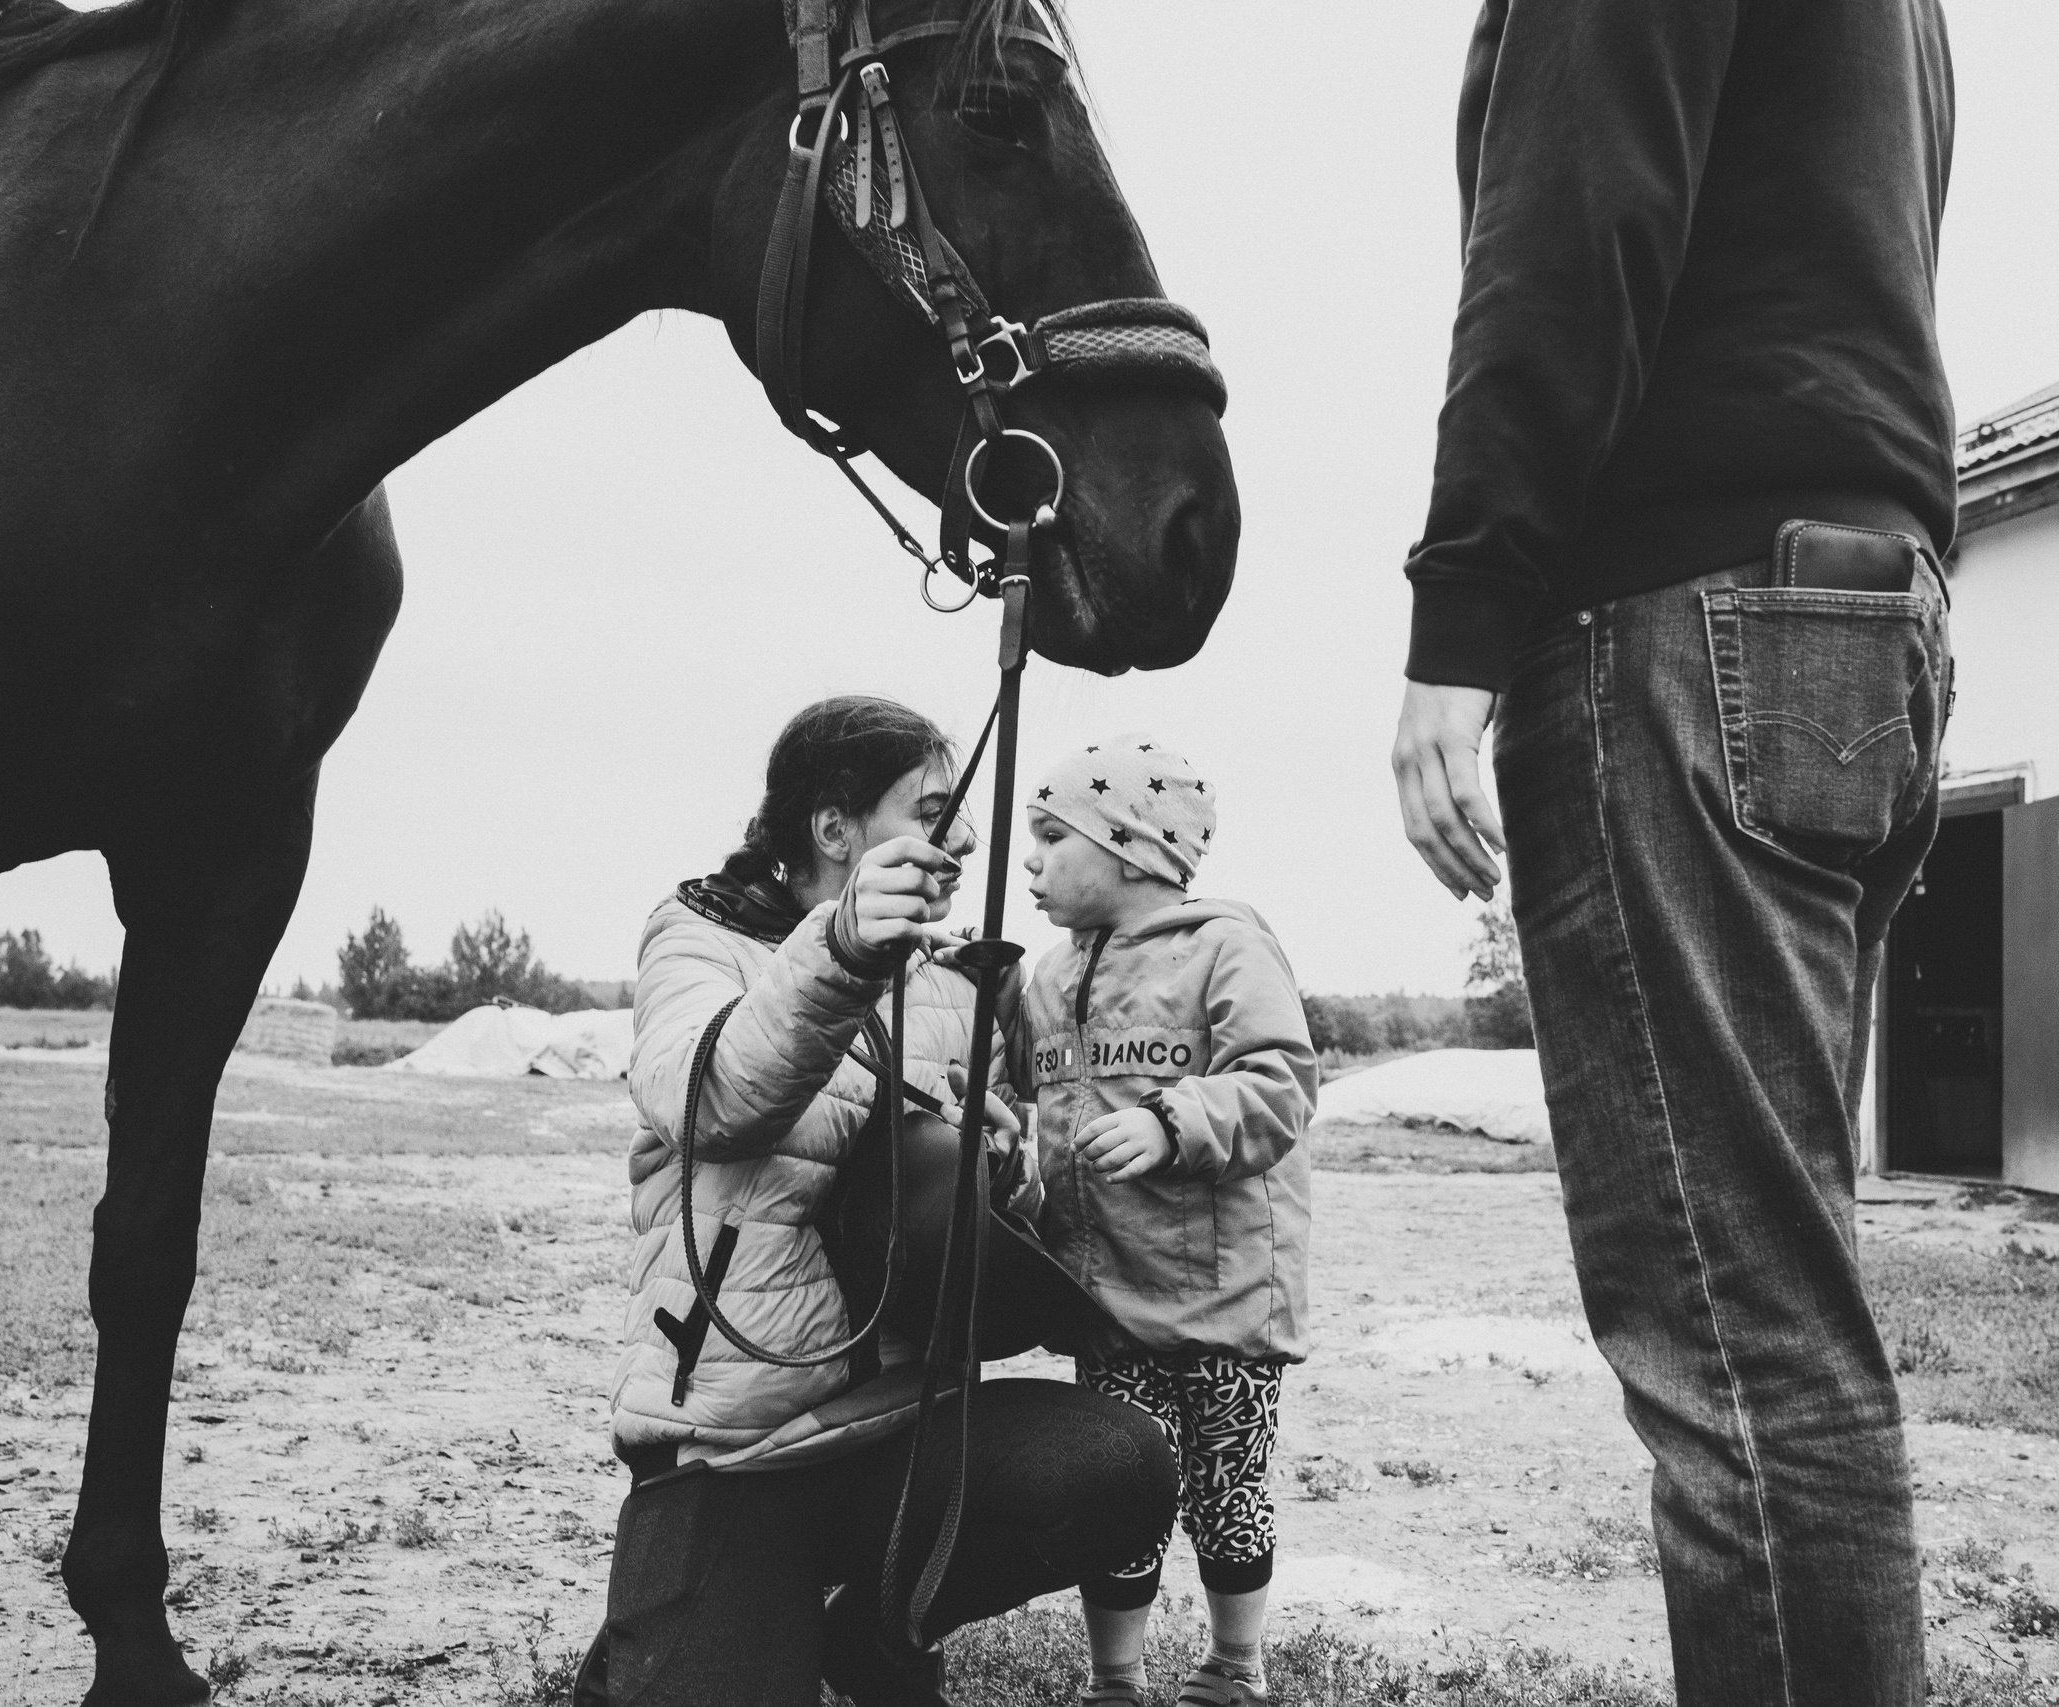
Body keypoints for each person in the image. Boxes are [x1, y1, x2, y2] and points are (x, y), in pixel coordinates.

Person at [1387, 4, 1958, 1705]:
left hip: (1679, 622)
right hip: (1861, 610)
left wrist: (1459, 622)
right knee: (1783, 1310)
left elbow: (1566, 230)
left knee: (1737, 1337)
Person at [579, 696, 1178, 1707]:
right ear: (834, 828)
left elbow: (987, 1211)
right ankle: (689, 1619)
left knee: (1119, 1463)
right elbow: (712, 1106)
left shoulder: (959, 984)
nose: (968, 844)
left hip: (900, 1432)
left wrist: (1004, 1161)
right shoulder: (701, 939)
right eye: (933, 813)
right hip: (736, 1449)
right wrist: (843, 950)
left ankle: (875, 1633)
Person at [1017, 735, 1315, 1707]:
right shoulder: (1046, 979)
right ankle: (1116, 1680)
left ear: (1130, 849)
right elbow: (1020, 1096)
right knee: (1121, 1499)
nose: (1029, 860)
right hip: (1107, 1297)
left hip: (1223, 1297)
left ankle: (1236, 1665)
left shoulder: (1225, 944)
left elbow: (1279, 1085)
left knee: (1227, 1497)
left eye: (1048, 836)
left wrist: (1165, 1119)